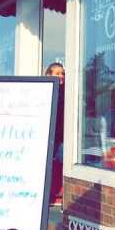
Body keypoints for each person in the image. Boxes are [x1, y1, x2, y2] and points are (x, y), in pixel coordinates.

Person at [45, 62, 64, 206]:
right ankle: (47, 197)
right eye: (57, 73)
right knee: (46, 166)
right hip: (47, 136)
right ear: (48, 75)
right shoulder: (44, 92)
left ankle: (58, 196)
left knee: (61, 163)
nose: (61, 76)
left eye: (63, 73)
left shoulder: (66, 93)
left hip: (61, 137)